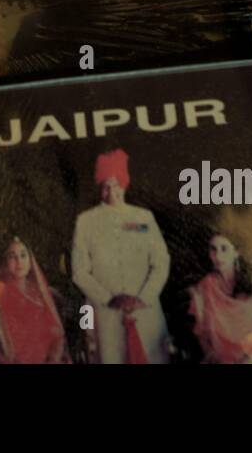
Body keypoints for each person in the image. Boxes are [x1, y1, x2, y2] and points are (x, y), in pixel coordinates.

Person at [71, 149, 170, 363]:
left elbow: (161, 262)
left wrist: (144, 297)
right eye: (105, 186)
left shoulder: (143, 218)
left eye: (115, 184)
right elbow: (79, 271)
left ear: (124, 184)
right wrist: (109, 299)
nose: (110, 191)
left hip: (145, 309)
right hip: (105, 314)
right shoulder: (85, 221)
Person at [187, 233, 252, 364]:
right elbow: (203, 335)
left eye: (224, 249)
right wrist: (212, 355)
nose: (218, 256)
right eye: (213, 249)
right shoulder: (205, 286)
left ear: (236, 252)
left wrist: (249, 361)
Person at [0, 234, 68, 364]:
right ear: (4, 262)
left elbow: (57, 335)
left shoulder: (42, 294)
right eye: (12, 256)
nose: (19, 261)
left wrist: (53, 359)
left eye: (23, 255)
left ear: (31, 261)